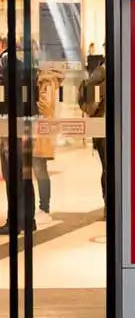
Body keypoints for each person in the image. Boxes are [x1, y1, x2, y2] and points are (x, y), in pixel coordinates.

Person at [0, 49, 36, 234]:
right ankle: (28, 220)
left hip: (12, 131)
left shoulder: (7, 68)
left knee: (13, 177)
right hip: (24, 129)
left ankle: (15, 221)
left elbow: (10, 102)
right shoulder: (23, 66)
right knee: (24, 176)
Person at [32, 68, 65, 224]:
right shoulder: (45, 80)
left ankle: (44, 208)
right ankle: (43, 207)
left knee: (40, 170)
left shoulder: (46, 81)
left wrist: (31, 104)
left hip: (41, 130)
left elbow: (45, 106)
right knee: (39, 169)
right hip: (39, 130)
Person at [78, 58, 106, 220]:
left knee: (110, 168)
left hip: (108, 127)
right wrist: (97, 100)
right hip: (103, 127)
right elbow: (89, 88)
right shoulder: (103, 70)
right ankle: (108, 204)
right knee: (109, 169)